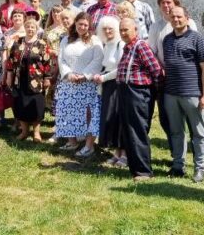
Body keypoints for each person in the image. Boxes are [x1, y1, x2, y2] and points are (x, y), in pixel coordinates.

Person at [162, 6, 204, 182]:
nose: (176, 19)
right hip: (171, 93)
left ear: (186, 17)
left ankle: (200, 168)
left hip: (192, 93)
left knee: (198, 133)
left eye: (179, 17)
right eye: (173, 17)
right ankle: (177, 166)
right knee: (176, 132)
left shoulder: (197, 38)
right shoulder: (167, 40)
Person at [147, 0, 198, 154]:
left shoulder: (189, 23)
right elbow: (152, 52)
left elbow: (195, 49)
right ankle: (176, 154)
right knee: (167, 119)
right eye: (163, 3)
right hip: (165, 79)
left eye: (169, 2)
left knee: (192, 119)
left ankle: (199, 155)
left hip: (187, 79)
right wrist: (160, 70)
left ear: (176, 3)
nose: (166, 6)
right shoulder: (156, 27)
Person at [117, 17, 162, 180]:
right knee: (129, 130)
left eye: (126, 30)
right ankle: (135, 167)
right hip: (126, 91)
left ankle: (144, 171)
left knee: (138, 130)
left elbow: (156, 70)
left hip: (138, 92)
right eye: (121, 30)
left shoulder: (140, 45)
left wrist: (154, 93)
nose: (123, 33)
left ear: (135, 30)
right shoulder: (126, 47)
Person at [55, 12, 103, 157]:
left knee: (88, 114)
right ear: (75, 23)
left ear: (89, 26)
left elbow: (97, 59)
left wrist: (85, 75)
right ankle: (72, 141)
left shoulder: (95, 40)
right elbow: (61, 58)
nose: (82, 27)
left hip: (87, 84)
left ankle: (89, 145)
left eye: (85, 25)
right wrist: (68, 74)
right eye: (80, 24)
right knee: (68, 111)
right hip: (68, 82)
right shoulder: (66, 39)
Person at [5, 17, 54, 142]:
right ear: (24, 28)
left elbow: (47, 62)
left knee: (36, 106)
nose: (30, 29)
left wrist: (47, 78)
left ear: (37, 29)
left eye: (33, 27)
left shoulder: (42, 44)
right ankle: (24, 131)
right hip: (19, 80)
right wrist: (9, 77)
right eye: (28, 27)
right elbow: (11, 62)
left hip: (36, 81)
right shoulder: (18, 43)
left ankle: (36, 133)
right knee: (21, 105)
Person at [96, 15, 126, 168]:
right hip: (108, 84)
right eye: (105, 29)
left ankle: (125, 154)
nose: (107, 31)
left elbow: (120, 68)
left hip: (117, 84)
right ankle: (116, 152)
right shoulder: (107, 44)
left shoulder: (120, 44)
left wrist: (104, 77)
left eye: (110, 29)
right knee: (111, 118)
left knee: (119, 118)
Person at [42, 5, 67, 115]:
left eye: (58, 12)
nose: (56, 14)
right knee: (50, 85)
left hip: (63, 60)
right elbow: (42, 46)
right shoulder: (47, 30)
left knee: (59, 86)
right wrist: (50, 51)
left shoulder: (66, 29)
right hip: (51, 61)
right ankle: (50, 111)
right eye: (54, 12)